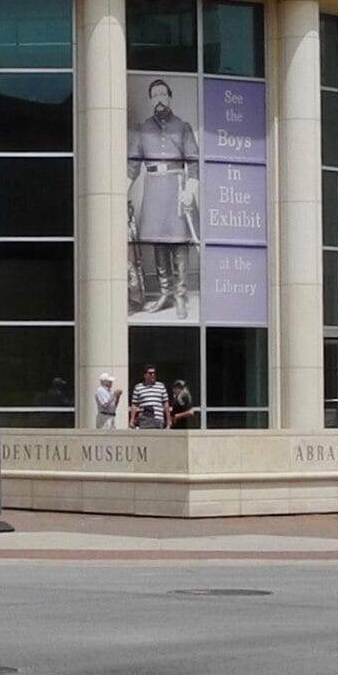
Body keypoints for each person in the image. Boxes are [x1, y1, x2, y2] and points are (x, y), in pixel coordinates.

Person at [127, 79, 201, 316]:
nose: (159, 99)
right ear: (151, 100)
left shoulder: (182, 127)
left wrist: (190, 190)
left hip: (177, 188)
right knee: (159, 243)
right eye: (155, 95)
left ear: (169, 97)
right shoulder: (143, 129)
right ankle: (165, 294)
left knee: (179, 242)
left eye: (162, 94)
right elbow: (133, 165)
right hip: (154, 191)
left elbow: (193, 162)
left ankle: (180, 296)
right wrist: (121, 191)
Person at [130, 365, 169, 430]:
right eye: (150, 373)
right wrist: (132, 420)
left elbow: (165, 404)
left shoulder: (161, 386)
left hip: (158, 418)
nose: (153, 375)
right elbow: (134, 405)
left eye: (154, 373)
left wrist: (168, 420)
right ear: (145, 375)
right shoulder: (138, 387)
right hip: (144, 419)